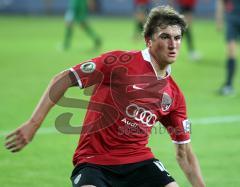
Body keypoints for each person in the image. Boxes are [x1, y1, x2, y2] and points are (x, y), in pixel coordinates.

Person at [5, 6, 205, 187]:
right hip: (93, 162)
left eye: (177, 37)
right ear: (148, 40)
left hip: (139, 162)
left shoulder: (174, 95)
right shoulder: (118, 62)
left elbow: (184, 154)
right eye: (165, 36)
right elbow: (64, 79)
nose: (173, 44)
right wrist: (34, 122)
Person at [216, 0, 240, 95]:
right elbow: (221, 2)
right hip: (232, 19)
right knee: (231, 51)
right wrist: (219, 18)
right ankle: (229, 85)